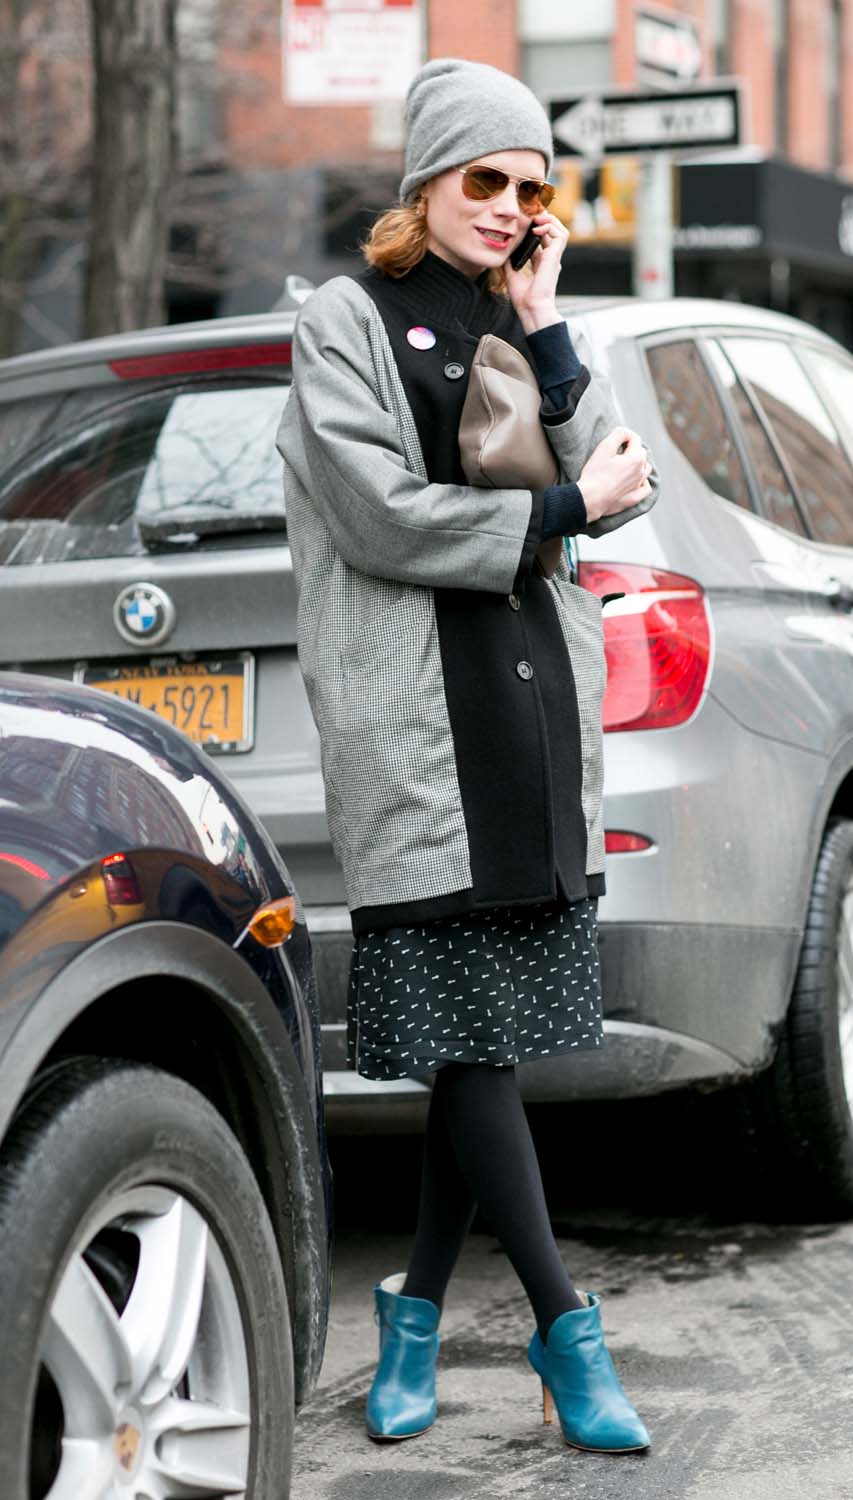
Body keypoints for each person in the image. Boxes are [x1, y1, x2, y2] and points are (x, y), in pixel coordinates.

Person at [276, 56, 658, 1455]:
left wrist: (548, 329)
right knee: (471, 1045)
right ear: (427, 181)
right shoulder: (346, 319)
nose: (508, 207)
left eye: (531, 190)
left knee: (473, 1048)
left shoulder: (519, 313)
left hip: (526, 709)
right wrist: (562, 509)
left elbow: (623, 476)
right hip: (418, 724)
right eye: (484, 180)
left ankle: (416, 1313)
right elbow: (379, 514)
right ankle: (566, 1328)